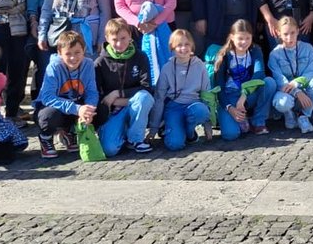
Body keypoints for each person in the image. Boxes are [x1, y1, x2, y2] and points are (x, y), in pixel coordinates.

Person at [93, 18, 155, 155]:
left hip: (134, 104)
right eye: (115, 39)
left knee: (145, 98)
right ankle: (123, 132)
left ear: (130, 36)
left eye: (123, 38)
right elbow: (97, 95)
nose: (119, 43)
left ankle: (136, 139)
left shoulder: (141, 57)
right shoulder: (99, 63)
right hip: (112, 111)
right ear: (107, 39)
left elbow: (146, 88)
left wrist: (117, 94)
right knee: (109, 150)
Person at [207, 19, 276, 140]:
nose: (244, 42)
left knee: (269, 83)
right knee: (231, 135)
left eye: (248, 38)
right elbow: (220, 86)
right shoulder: (224, 55)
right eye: (240, 38)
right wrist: (230, 108)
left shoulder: (255, 51)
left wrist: (244, 95)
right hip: (230, 96)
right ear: (232, 37)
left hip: (248, 94)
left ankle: (258, 122)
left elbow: (259, 74)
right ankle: (238, 118)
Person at [35, 30, 98, 159]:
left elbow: (92, 91)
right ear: (59, 52)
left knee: (101, 110)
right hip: (55, 107)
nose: (73, 58)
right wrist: (78, 109)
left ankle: (70, 132)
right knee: (48, 116)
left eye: (77, 53)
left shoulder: (89, 64)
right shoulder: (54, 67)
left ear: (84, 50)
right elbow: (47, 97)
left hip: (76, 105)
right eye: (68, 54)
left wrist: (89, 110)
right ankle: (45, 137)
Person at [147, 29, 213, 150]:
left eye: (186, 44)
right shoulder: (167, 68)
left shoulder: (200, 65)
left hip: (194, 105)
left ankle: (190, 134)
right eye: (179, 45)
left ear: (192, 45)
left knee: (200, 111)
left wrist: (207, 125)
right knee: (174, 144)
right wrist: (153, 128)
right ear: (172, 47)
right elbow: (159, 98)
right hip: (174, 107)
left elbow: (206, 94)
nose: (183, 48)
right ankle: (172, 127)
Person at [268, 17, 313, 133]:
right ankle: (288, 112)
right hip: (285, 91)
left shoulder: (308, 48)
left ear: (298, 31)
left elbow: (311, 72)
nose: (289, 38)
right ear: (279, 34)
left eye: (292, 33)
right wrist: (296, 91)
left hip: (304, 89)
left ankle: (303, 115)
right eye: (285, 34)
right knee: (282, 103)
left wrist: (297, 84)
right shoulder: (274, 54)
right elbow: (279, 79)